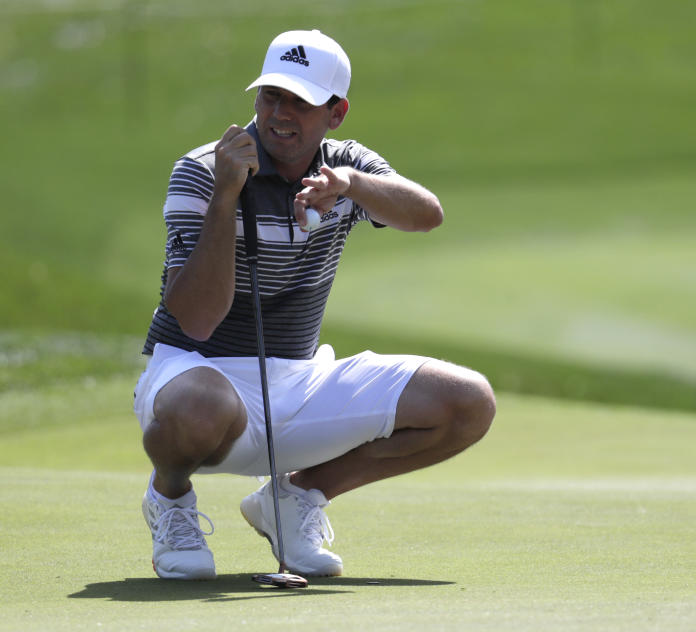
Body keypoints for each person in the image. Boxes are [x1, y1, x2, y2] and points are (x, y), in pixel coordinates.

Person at [133, 29, 496, 580]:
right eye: (271, 96)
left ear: (336, 112)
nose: (281, 113)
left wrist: (350, 185)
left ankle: (295, 498)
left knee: (468, 402)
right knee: (201, 408)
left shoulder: (344, 166)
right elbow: (198, 318)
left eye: (300, 101)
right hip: (196, 373)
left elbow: (428, 214)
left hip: (300, 382)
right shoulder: (205, 170)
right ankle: (170, 498)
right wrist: (226, 201)